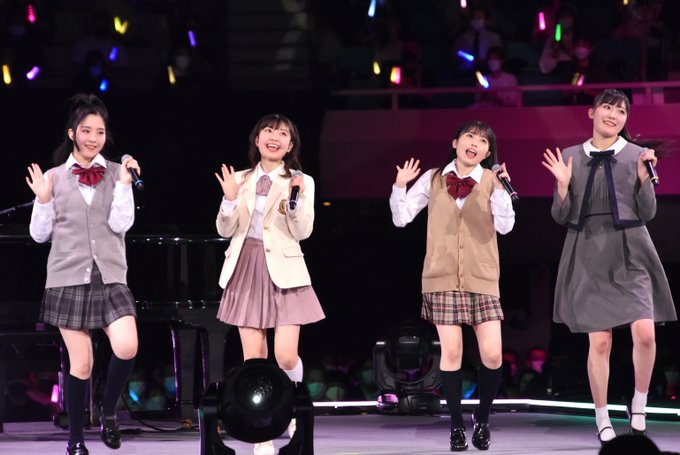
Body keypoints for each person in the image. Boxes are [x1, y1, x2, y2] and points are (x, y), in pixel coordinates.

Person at [541, 89, 677, 445]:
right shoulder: (570, 156)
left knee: (645, 333)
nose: (613, 115)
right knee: (600, 342)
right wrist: (562, 186)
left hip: (632, 248)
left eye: (621, 111)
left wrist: (645, 180)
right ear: (592, 113)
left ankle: (639, 405)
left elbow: (647, 212)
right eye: (607, 107)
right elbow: (561, 216)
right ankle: (602, 416)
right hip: (588, 249)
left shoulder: (638, 154)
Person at [390, 120, 516, 451]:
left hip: (482, 276)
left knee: (492, 354)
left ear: (488, 152)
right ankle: (457, 425)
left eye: (483, 141)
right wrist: (400, 186)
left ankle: (482, 418)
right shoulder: (433, 178)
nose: (475, 143)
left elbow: (505, 227)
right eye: (469, 137)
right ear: (455, 142)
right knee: (453, 352)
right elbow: (402, 218)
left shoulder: (492, 180)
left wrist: (500, 191)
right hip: (441, 276)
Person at [25, 94, 140, 455]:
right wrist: (43, 199)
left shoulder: (117, 173)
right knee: (83, 363)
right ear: (72, 133)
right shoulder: (53, 177)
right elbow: (39, 235)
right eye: (86, 131)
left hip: (110, 274)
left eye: (100, 132)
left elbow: (122, 224)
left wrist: (125, 184)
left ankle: (108, 412)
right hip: (67, 278)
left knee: (127, 345)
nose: (93, 138)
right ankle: (75, 438)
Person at [214, 113, 325, 455]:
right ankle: (262, 434)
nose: (274, 137)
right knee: (254, 359)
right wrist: (229, 199)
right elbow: (224, 229)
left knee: (285, 356)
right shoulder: (240, 178)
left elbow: (303, 231)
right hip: (245, 268)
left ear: (290, 145)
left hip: (284, 270)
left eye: (282, 134)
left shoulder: (301, 181)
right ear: (257, 139)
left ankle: (293, 408)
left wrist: (294, 201)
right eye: (268, 131)